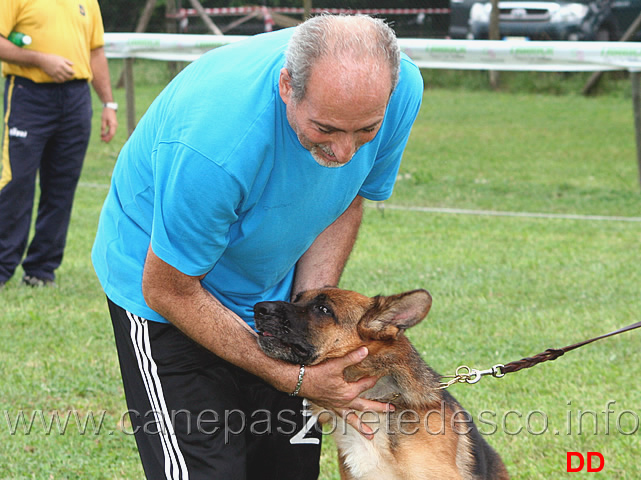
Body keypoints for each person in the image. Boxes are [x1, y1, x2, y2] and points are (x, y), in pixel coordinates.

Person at [92, 14, 423, 479]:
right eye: (326, 128)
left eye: (365, 130)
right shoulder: (216, 145)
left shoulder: (401, 88)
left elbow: (346, 198)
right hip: (167, 293)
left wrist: (306, 316)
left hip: (272, 288)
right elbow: (167, 287)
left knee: (286, 469)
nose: (345, 151)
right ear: (288, 86)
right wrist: (296, 378)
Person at [0, 0, 117, 289]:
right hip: (29, 94)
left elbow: (96, 52)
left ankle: (41, 270)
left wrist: (108, 103)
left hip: (76, 99)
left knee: (61, 186)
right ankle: (2, 268)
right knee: (17, 182)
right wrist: (41, 60)